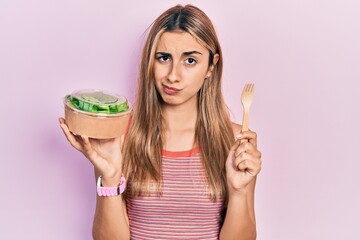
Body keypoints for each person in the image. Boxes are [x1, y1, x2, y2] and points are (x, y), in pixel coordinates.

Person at [59, 4, 262, 240]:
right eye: (164, 58)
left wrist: (238, 192)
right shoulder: (120, 135)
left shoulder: (237, 140)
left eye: (190, 61)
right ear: (150, 61)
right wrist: (110, 176)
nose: (172, 75)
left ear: (211, 66)